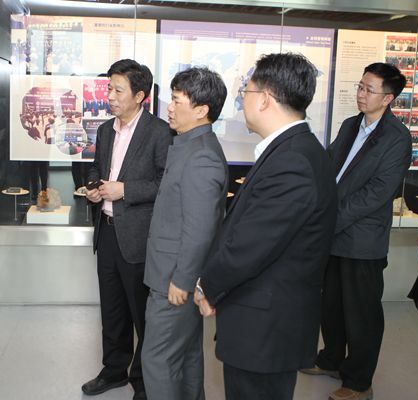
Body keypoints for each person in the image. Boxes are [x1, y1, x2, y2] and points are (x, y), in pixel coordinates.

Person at [194, 52, 337, 400]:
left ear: (265, 99)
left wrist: (207, 286)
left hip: (266, 328)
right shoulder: (292, 150)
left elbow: (251, 246)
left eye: (247, 89)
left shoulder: (293, 161)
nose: (242, 98)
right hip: (264, 322)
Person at [301, 63, 412, 400]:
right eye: (360, 87)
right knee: (331, 305)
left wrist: (329, 219)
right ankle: (331, 359)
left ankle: (359, 381)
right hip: (333, 233)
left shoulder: (397, 138)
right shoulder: (351, 124)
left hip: (362, 240)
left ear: (388, 98)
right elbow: (329, 166)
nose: (361, 94)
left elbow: (377, 194)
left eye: (369, 89)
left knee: (361, 314)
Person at [82, 59, 173, 400]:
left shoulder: (159, 132)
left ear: (140, 96)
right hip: (106, 232)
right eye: (109, 88)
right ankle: (114, 370)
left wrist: (125, 190)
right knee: (112, 310)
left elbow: (165, 184)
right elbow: (96, 168)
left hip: (138, 238)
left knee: (142, 315)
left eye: (118, 90)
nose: (110, 96)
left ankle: (144, 382)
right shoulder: (106, 130)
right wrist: (94, 187)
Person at [141, 67, 229, 400]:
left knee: (158, 359)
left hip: (174, 279)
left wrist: (183, 279)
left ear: (202, 109)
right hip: (174, 273)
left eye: (177, 101)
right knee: (187, 355)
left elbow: (201, 228)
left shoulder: (201, 155)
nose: (169, 108)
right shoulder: (189, 145)